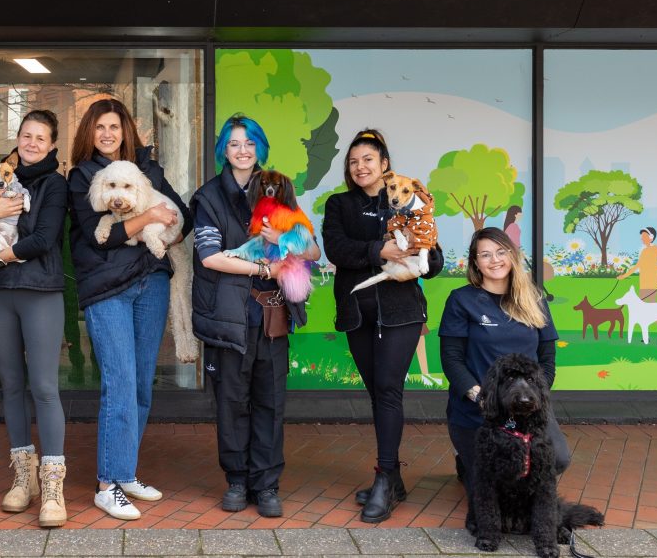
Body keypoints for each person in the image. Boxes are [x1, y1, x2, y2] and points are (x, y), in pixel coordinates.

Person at [67, 97, 193, 521]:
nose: (107, 134)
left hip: (151, 283)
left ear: (126, 131)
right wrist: (146, 218)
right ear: (90, 132)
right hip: (107, 289)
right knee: (118, 384)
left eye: (114, 127)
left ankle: (125, 472)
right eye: (100, 127)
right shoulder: (82, 176)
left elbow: (182, 215)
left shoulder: (148, 169)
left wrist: (169, 231)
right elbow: (96, 234)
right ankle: (107, 484)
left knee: (141, 384)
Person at [191, 115, 319, 518]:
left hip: (273, 315)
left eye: (249, 144)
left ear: (259, 148)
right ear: (223, 151)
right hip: (229, 316)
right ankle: (236, 480)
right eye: (233, 144)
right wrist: (265, 269)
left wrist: (283, 241)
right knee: (231, 402)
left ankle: (266, 484)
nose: (242, 151)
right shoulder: (208, 197)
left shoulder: (278, 188)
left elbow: (312, 249)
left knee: (270, 402)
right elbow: (210, 257)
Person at [322, 128, 443, 523]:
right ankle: (391, 477)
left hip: (402, 312)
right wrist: (381, 250)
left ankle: (385, 477)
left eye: (368, 160)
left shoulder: (411, 201)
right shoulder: (338, 205)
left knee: (389, 390)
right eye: (353, 161)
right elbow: (336, 249)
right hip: (357, 310)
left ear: (385, 165)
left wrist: (421, 258)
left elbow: (436, 261)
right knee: (377, 392)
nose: (360, 167)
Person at [0, 110, 69, 526]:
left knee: (44, 387)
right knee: (11, 384)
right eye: (26, 135)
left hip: (39, 290)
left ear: (51, 145)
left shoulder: (54, 184)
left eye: (40, 137)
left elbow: (45, 238)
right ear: (18, 139)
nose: (32, 142)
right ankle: (23, 477)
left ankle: (52, 483)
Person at [438, 227, 569, 527]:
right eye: (485, 255)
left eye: (500, 252)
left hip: (527, 410)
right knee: (487, 484)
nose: (494, 260)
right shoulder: (461, 300)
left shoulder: (533, 298)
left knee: (558, 459)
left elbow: (547, 359)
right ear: (475, 263)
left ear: (512, 256)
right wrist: (478, 395)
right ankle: (464, 461)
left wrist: (534, 397)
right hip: (480, 411)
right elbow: (452, 359)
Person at [618, 227, 657, 301]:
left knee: (651, 304)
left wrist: (624, 276)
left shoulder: (655, 248)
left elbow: (639, 265)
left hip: (652, 281)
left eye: (644, 236)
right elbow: (638, 265)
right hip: (644, 281)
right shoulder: (644, 251)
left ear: (651, 237)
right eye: (641, 237)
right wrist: (624, 276)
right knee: (642, 304)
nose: (642, 238)